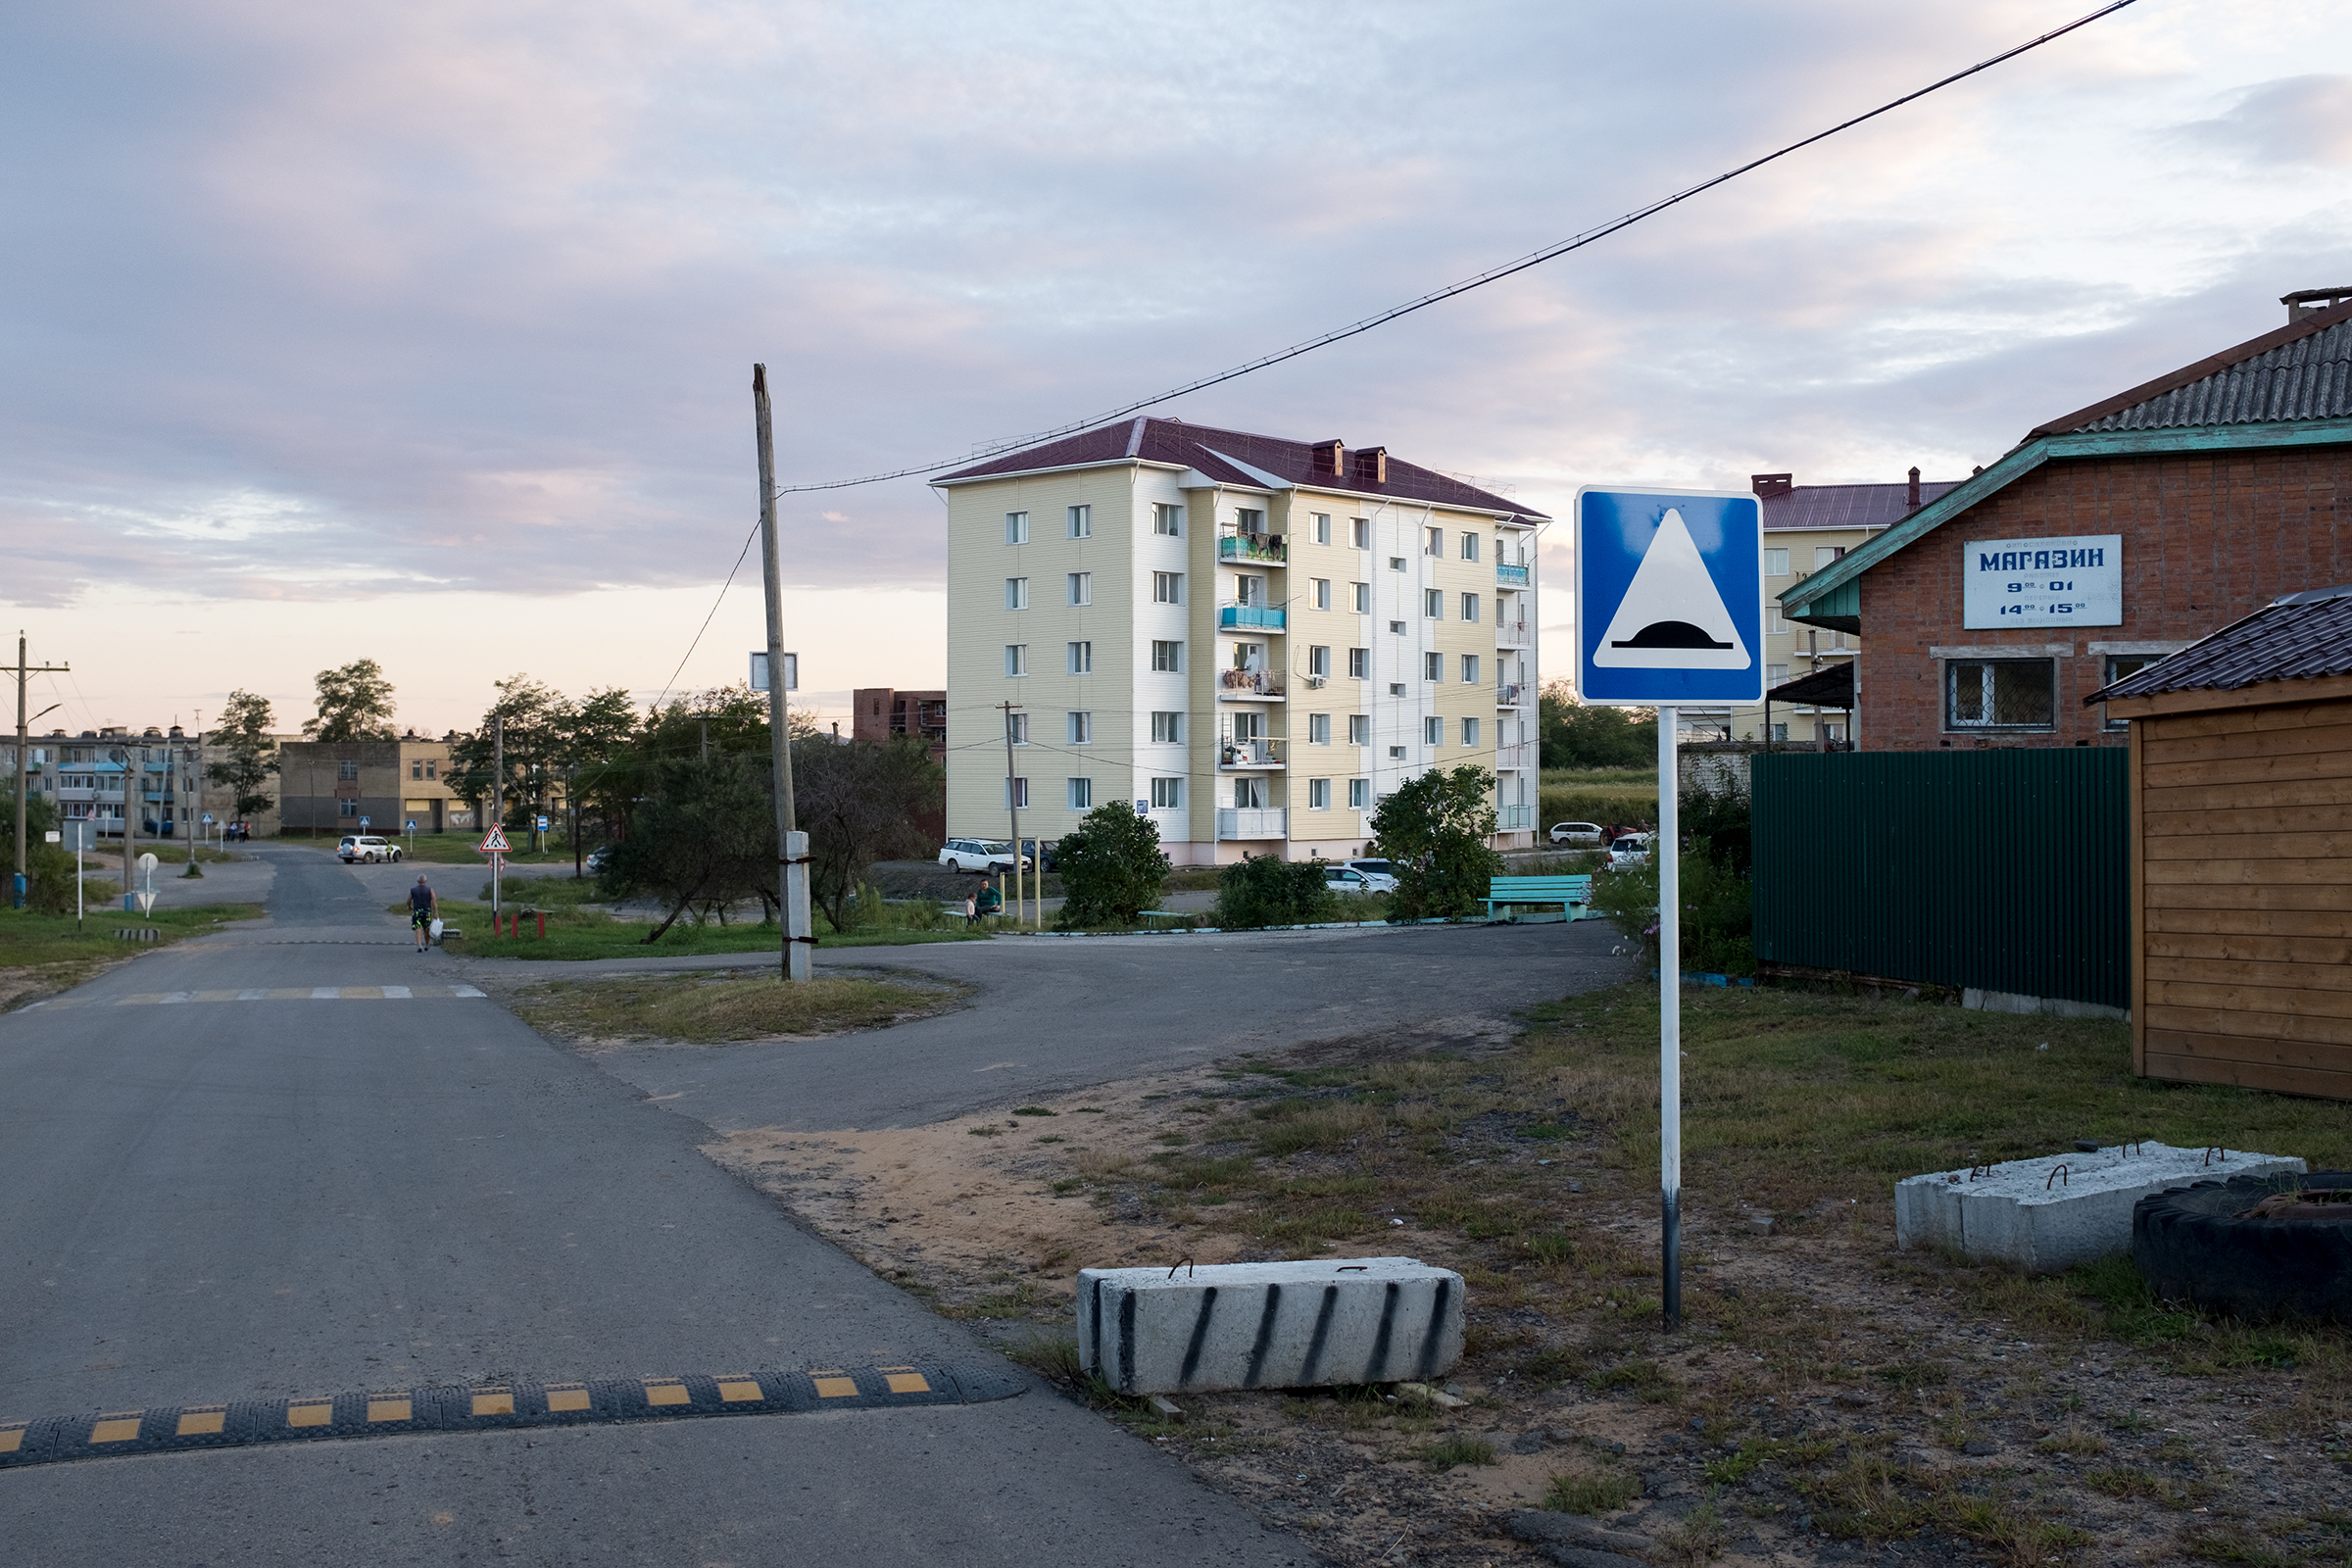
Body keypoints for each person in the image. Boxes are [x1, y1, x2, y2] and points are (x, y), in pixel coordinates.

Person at [408, 874, 438, 953]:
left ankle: (419, 945)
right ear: (425, 881)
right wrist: (435, 912)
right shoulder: (430, 890)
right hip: (427, 911)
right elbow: (434, 901)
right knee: (426, 929)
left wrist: (409, 906)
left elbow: (408, 900)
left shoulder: (413, 890)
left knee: (418, 928)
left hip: (417, 911)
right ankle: (427, 944)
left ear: (418, 881)